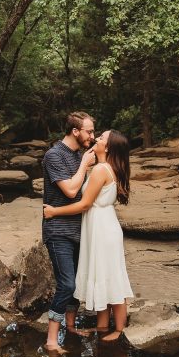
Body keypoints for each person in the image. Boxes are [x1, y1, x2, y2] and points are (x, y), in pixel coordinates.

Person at [44, 129, 133, 342]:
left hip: (102, 228)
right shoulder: (103, 167)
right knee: (103, 274)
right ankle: (102, 325)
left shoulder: (102, 170)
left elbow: (84, 204)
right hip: (102, 225)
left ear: (108, 147)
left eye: (101, 138)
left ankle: (118, 329)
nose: (96, 139)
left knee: (112, 277)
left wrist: (54, 212)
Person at [41, 111, 98, 352]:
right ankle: (51, 340)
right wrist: (85, 164)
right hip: (58, 231)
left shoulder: (77, 154)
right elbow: (71, 191)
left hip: (78, 229)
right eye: (89, 131)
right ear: (75, 131)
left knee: (77, 281)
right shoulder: (54, 155)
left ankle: (71, 327)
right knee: (66, 283)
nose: (92, 136)